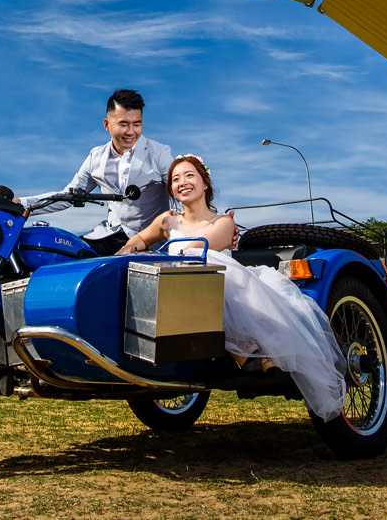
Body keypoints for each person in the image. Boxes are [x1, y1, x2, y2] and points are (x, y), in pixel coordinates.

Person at [118, 154, 349, 421]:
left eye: (190, 175)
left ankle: (248, 350)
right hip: (179, 290)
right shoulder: (168, 220)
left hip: (222, 284)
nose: (182, 182)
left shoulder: (224, 222)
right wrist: (126, 251)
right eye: (175, 179)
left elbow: (199, 249)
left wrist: (163, 255)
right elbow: (140, 238)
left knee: (207, 264)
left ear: (205, 183)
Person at [19, 89, 174, 256]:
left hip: (148, 242)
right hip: (109, 236)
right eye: (123, 124)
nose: (131, 132)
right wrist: (20, 203)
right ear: (107, 124)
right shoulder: (96, 157)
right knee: (63, 253)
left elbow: (181, 194)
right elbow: (67, 196)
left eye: (137, 124)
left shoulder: (160, 153)